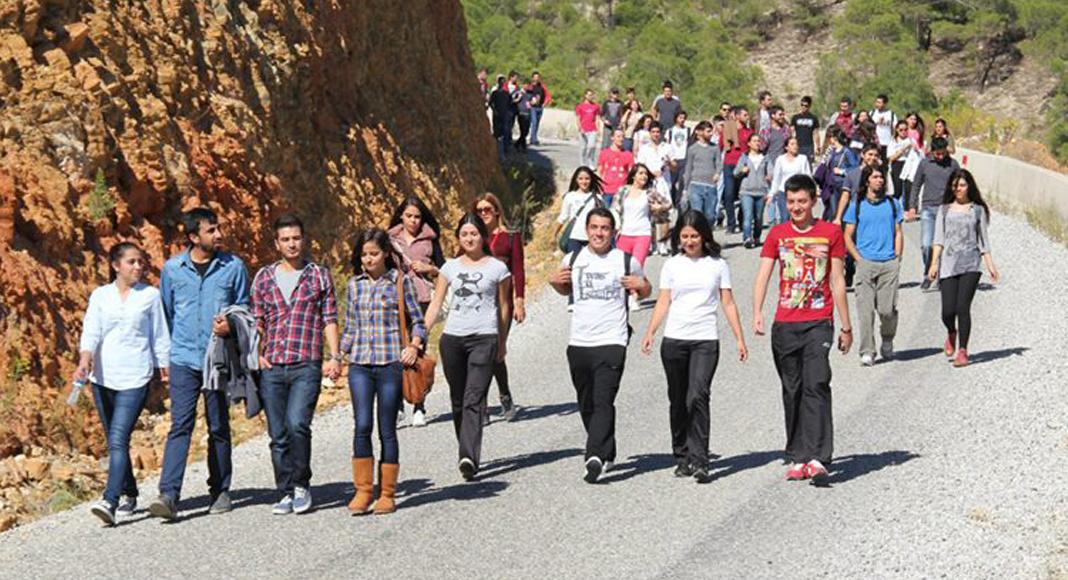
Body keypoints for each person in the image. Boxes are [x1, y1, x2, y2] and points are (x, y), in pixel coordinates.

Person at [752, 174, 853, 483]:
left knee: (817, 384)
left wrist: (846, 326)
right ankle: (798, 455)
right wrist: (757, 311)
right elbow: (764, 274)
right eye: (791, 201)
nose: (796, 207)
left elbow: (837, 280)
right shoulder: (777, 234)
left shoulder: (829, 233)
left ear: (813, 201)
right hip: (785, 324)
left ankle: (819, 457)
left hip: (818, 322)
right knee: (792, 389)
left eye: (802, 201)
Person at [151, 208, 250, 520]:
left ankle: (220, 490)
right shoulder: (172, 270)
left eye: (218, 228)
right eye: (211, 230)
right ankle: (168, 494)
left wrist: (230, 325)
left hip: (217, 358)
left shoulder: (233, 267)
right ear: (194, 237)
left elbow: (244, 307)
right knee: (180, 425)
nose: (218, 235)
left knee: (219, 424)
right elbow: (166, 314)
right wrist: (165, 355)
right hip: (182, 359)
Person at [640, 209, 747, 483]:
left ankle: (700, 460)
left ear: (704, 236)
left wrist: (739, 338)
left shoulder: (718, 265)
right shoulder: (672, 265)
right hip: (674, 340)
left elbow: (728, 302)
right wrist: (651, 331)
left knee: (698, 395)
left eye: (694, 236)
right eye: (684, 236)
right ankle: (682, 454)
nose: (689, 241)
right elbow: (664, 300)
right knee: (678, 400)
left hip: (705, 340)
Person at [549, 207, 651, 483]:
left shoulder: (625, 260)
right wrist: (554, 282)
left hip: (612, 340)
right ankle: (607, 448)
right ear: (587, 231)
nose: (599, 233)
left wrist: (640, 286)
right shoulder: (574, 258)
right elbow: (564, 287)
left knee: (603, 399)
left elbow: (646, 288)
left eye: (605, 228)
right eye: (594, 228)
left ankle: (593, 455)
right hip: (579, 341)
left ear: (613, 233)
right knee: (587, 403)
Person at [76, 242, 170, 525]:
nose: (138, 267)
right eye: (131, 262)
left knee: (118, 437)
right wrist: (84, 359)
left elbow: (159, 334)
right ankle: (129, 492)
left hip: (135, 377)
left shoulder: (150, 296)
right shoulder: (101, 296)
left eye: (141, 262)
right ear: (116, 265)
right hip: (102, 378)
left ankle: (110, 500)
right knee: (114, 441)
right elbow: (90, 329)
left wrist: (163, 367)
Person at [251, 214, 340, 515]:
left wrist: (335, 356)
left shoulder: (318, 276)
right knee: (278, 434)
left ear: (304, 239)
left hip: (306, 363)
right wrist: (256, 352)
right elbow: (258, 320)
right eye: (285, 239)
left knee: (297, 424)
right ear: (276, 243)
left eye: (296, 238)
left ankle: (302, 484)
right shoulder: (263, 278)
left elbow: (329, 318)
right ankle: (285, 490)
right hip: (273, 365)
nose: (292, 244)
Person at [340, 229, 427, 515]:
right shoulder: (354, 286)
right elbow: (351, 327)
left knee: (386, 429)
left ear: (386, 255)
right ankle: (363, 491)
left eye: (374, 253)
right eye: (364, 254)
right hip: (360, 365)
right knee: (362, 425)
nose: (368, 259)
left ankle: (387, 493)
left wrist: (414, 346)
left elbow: (418, 321)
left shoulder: (400, 284)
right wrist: (338, 356)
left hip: (390, 365)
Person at [422, 214, 512, 481]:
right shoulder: (449, 268)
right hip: (452, 339)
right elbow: (436, 304)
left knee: (475, 397)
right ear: (458, 238)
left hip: (485, 338)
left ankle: (468, 455)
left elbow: (504, 306)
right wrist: (420, 335)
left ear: (482, 236)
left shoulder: (497, 268)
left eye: (474, 234)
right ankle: (466, 446)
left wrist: (502, 340)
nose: (469, 239)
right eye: (464, 234)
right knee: (458, 398)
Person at [928, 169, 1000, 368]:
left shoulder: (977, 210)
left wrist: (990, 265)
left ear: (969, 187)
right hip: (948, 265)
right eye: (955, 185)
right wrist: (934, 263)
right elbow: (938, 239)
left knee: (962, 307)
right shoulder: (944, 210)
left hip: (971, 264)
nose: (958, 189)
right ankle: (952, 331)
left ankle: (963, 351)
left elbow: (983, 240)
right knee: (947, 311)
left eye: (961, 185)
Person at [388, 196, 445, 427]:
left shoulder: (431, 239)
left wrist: (429, 268)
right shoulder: (390, 239)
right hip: (395, 300)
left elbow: (444, 269)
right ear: (401, 216)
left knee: (417, 349)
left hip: (421, 300)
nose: (413, 220)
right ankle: (398, 405)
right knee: (396, 351)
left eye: (417, 216)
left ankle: (419, 404)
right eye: (409, 215)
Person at [842, 166, 904, 366]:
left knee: (887, 311)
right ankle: (867, 350)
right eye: (875, 177)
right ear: (867, 181)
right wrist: (858, 258)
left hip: (889, 263)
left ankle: (887, 340)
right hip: (865, 264)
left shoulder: (893, 204)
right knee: (865, 310)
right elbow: (847, 236)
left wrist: (897, 257)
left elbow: (898, 232)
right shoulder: (856, 205)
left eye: (881, 177)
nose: (880, 180)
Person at [474, 193, 526, 420]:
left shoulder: (511, 237)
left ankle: (504, 394)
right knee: (480, 353)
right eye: (479, 210)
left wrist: (520, 300)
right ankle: (482, 404)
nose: (483, 213)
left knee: (495, 351)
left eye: (487, 209)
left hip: (502, 301)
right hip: (477, 303)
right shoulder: (473, 237)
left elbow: (518, 269)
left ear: (496, 211)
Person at [910, 137, 960, 291]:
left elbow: (961, 185)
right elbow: (916, 184)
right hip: (928, 209)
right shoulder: (925, 163)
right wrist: (912, 206)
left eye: (943, 153)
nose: (940, 157)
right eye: (937, 154)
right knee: (926, 245)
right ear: (932, 151)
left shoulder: (953, 165)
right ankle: (928, 271)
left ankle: (941, 277)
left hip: (947, 210)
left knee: (945, 246)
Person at [612, 163, 668, 275]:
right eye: (641, 173)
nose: (644, 176)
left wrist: (659, 207)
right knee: (621, 269)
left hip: (643, 234)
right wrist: (616, 226)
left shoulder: (650, 192)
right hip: (624, 234)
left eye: (646, 174)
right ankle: (625, 292)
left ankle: (635, 292)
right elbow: (614, 209)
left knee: (636, 268)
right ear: (633, 176)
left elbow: (668, 204)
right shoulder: (623, 191)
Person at [555, 167, 608, 255]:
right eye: (581, 179)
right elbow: (563, 217)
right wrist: (555, 234)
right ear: (576, 180)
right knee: (574, 266)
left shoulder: (597, 198)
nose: (584, 182)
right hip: (574, 237)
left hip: (592, 238)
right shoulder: (570, 196)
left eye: (587, 178)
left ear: (591, 180)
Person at [720, 106, 754, 233]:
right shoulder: (728, 129)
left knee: (743, 194)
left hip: (743, 166)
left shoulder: (749, 132)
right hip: (729, 163)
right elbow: (721, 145)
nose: (747, 117)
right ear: (737, 116)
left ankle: (742, 220)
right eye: (745, 115)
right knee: (728, 195)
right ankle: (731, 224)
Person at [681, 120, 722, 223]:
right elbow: (688, 169)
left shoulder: (715, 148)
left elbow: (719, 163)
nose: (711, 134)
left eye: (711, 131)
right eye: (708, 131)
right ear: (699, 132)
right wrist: (685, 189)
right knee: (697, 214)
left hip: (711, 186)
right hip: (695, 185)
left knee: (710, 216)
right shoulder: (692, 149)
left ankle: (708, 234)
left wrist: (717, 173)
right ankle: (699, 237)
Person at [735, 132, 771, 248]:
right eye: (755, 141)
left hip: (761, 191)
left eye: (758, 141)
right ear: (749, 144)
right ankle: (747, 238)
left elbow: (771, 171)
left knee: (759, 218)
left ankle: (756, 236)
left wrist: (769, 176)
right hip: (746, 191)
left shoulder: (765, 157)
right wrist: (742, 170)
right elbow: (735, 172)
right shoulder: (744, 157)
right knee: (748, 215)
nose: (757, 143)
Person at [769, 137, 813, 226]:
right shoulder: (780, 159)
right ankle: (784, 237)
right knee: (784, 217)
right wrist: (771, 194)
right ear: (786, 147)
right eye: (792, 144)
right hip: (783, 192)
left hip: (798, 192)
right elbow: (777, 178)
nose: (795, 146)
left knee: (798, 216)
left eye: (796, 144)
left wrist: (811, 190)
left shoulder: (802, 158)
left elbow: (807, 176)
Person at [820, 127, 858, 222]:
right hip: (832, 184)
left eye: (831, 137)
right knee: (833, 210)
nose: (830, 140)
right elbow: (824, 163)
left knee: (842, 211)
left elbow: (855, 167)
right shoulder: (831, 151)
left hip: (842, 184)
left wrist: (842, 171)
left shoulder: (846, 152)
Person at [634, 122, 673, 206]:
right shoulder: (644, 149)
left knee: (664, 209)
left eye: (657, 132)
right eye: (653, 132)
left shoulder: (667, 147)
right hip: (649, 183)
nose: (655, 134)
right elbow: (640, 166)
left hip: (665, 183)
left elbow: (674, 167)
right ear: (649, 133)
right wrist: (652, 173)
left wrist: (669, 163)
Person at [597, 129, 635, 206]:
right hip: (607, 190)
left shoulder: (628, 155)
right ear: (612, 137)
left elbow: (631, 173)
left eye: (622, 137)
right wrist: (598, 187)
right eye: (618, 136)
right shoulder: (604, 153)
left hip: (621, 191)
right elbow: (599, 171)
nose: (621, 139)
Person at [665, 110, 691, 205]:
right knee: (671, 182)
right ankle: (670, 200)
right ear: (676, 118)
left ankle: (678, 201)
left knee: (681, 182)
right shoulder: (670, 131)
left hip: (684, 158)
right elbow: (667, 145)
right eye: (680, 118)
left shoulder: (688, 130)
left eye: (684, 118)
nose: (682, 120)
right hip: (673, 159)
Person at [887, 120, 915, 203]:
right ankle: (893, 205)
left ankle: (907, 208)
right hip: (897, 164)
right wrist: (903, 149)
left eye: (905, 129)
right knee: (898, 189)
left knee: (908, 189)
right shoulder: (893, 142)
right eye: (901, 130)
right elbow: (891, 158)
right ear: (897, 130)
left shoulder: (911, 141)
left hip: (909, 164)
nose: (903, 132)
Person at [488, 75, 513, 159]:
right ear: (498, 83)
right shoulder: (495, 93)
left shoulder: (507, 94)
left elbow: (510, 104)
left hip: (505, 115)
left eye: (503, 82)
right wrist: (494, 110)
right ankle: (495, 151)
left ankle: (504, 151)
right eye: (501, 82)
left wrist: (509, 113)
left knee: (505, 132)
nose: (502, 83)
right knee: (497, 133)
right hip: (497, 115)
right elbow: (490, 103)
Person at [576, 90, 601, 168]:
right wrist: (580, 128)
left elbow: (597, 118)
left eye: (592, 95)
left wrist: (598, 129)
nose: (591, 96)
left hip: (592, 129)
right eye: (589, 95)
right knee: (583, 147)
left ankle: (591, 162)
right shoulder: (580, 106)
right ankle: (582, 163)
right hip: (583, 130)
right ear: (585, 96)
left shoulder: (596, 106)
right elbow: (578, 118)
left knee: (592, 146)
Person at [791, 96, 821, 160]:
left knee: (808, 165)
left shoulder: (813, 118)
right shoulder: (795, 117)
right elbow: (791, 132)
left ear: (809, 106)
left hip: (809, 146)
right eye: (802, 105)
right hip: (797, 145)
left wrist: (818, 146)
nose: (803, 107)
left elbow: (816, 133)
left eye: (806, 105)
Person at [870, 94, 897, 160]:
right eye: (876, 102)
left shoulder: (891, 114)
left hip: (886, 143)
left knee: (884, 163)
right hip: (874, 142)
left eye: (879, 102)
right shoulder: (872, 113)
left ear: (885, 103)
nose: (877, 104)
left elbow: (895, 128)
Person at [528, 71, 551, 145]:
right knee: (534, 122)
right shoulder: (530, 86)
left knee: (537, 123)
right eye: (535, 77)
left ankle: (534, 137)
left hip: (540, 107)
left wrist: (545, 104)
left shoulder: (542, 86)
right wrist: (529, 103)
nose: (536, 79)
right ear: (532, 78)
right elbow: (526, 95)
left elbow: (548, 95)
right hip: (532, 108)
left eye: (537, 77)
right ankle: (533, 139)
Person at [514, 78, 535, 152]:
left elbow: (533, 101)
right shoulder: (518, 92)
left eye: (528, 85)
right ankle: (523, 147)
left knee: (526, 131)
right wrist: (518, 99)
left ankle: (517, 144)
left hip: (528, 113)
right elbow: (513, 101)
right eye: (525, 85)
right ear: (523, 85)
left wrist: (533, 102)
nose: (526, 86)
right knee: (522, 130)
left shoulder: (530, 93)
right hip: (521, 113)